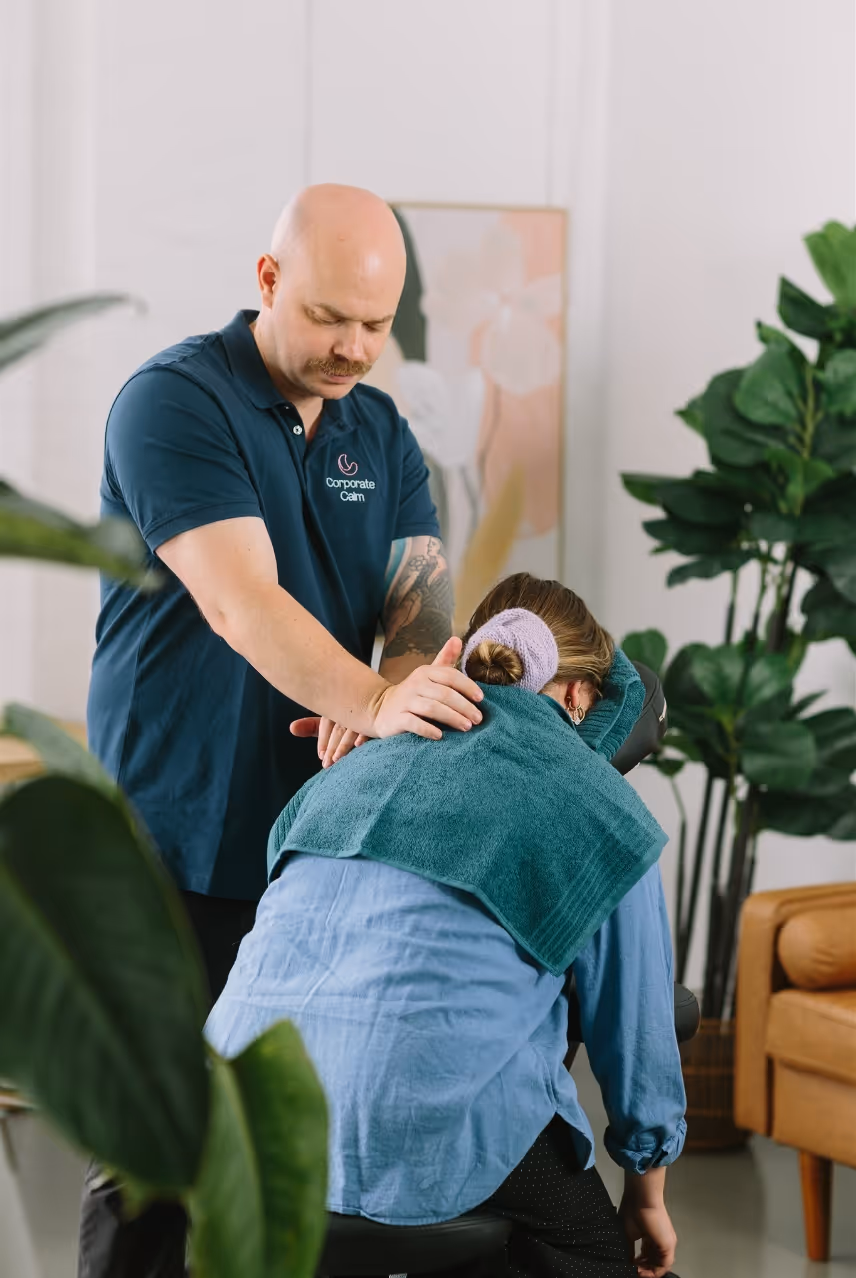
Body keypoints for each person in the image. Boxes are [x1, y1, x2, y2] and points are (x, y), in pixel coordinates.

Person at [79, 184, 484, 1278]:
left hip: (325, 841)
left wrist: (392, 694)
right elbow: (238, 599)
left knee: (294, 1150)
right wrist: (378, 703)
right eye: (329, 319)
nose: (356, 347)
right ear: (266, 282)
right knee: (160, 1145)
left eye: (376, 324)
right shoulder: (173, 403)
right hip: (181, 831)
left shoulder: (381, 427)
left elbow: (421, 601)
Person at [207, 573, 687, 1278]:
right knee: (592, 1253)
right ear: (582, 696)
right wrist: (647, 1192)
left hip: (235, 1114)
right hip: (405, 1119)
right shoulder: (605, 811)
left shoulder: (349, 769)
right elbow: (639, 1030)